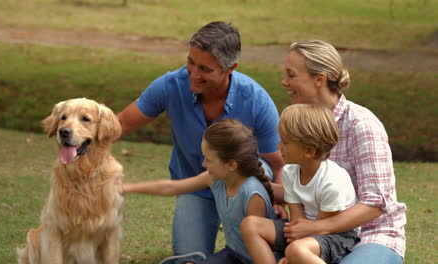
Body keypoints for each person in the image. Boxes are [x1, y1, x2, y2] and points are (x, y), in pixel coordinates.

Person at [116, 21, 284, 258]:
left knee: (251, 249)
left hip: (243, 182)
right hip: (197, 184)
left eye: (205, 69)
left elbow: (278, 164)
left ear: (230, 68)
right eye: (190, 63)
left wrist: (277, 202)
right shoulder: (171, 85)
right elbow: (122, 124)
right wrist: (82, 143)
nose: (193, 75)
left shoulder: (256, 99)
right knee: (190, 258)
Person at [252, 39, 406, 263]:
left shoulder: (361, 124)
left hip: (370, 236)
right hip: (312, 236)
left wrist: (316, 228)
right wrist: (249, 179)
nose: (284, 82)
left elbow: (376, 204)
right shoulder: (298, 123)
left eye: (292, 75)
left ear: (319, 79)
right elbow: (299, 189)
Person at [121, 118, 278, 264]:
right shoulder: (215, 179)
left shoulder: (252, 194)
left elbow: (259, 247)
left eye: (208, 160)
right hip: (233, 253)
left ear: (231, 165)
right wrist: (128, 188)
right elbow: (171, 187)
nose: (203, 164)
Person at [241, 104, 359, 264]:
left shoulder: (332, 182)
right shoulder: (290, 172)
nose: (278, 146)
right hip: (302, 229)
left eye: (285, 142)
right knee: (250, 225)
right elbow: (296, 219)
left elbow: (322, 228)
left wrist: (291, 255)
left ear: (309, 151)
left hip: (335, 235)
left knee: (296, 250)